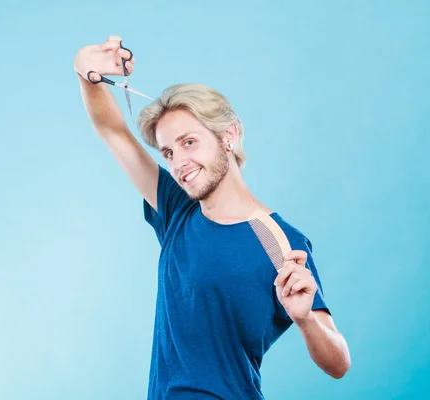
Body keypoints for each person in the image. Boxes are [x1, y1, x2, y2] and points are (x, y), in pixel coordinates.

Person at [74, 35, 351, 400]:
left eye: (189, 142)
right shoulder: (175, 211)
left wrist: (305, 320)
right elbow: (112, 130)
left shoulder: (280, 240)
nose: (178, 163)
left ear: (228, 136)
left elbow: (338, 363)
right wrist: (85, 70)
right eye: (169, 152)